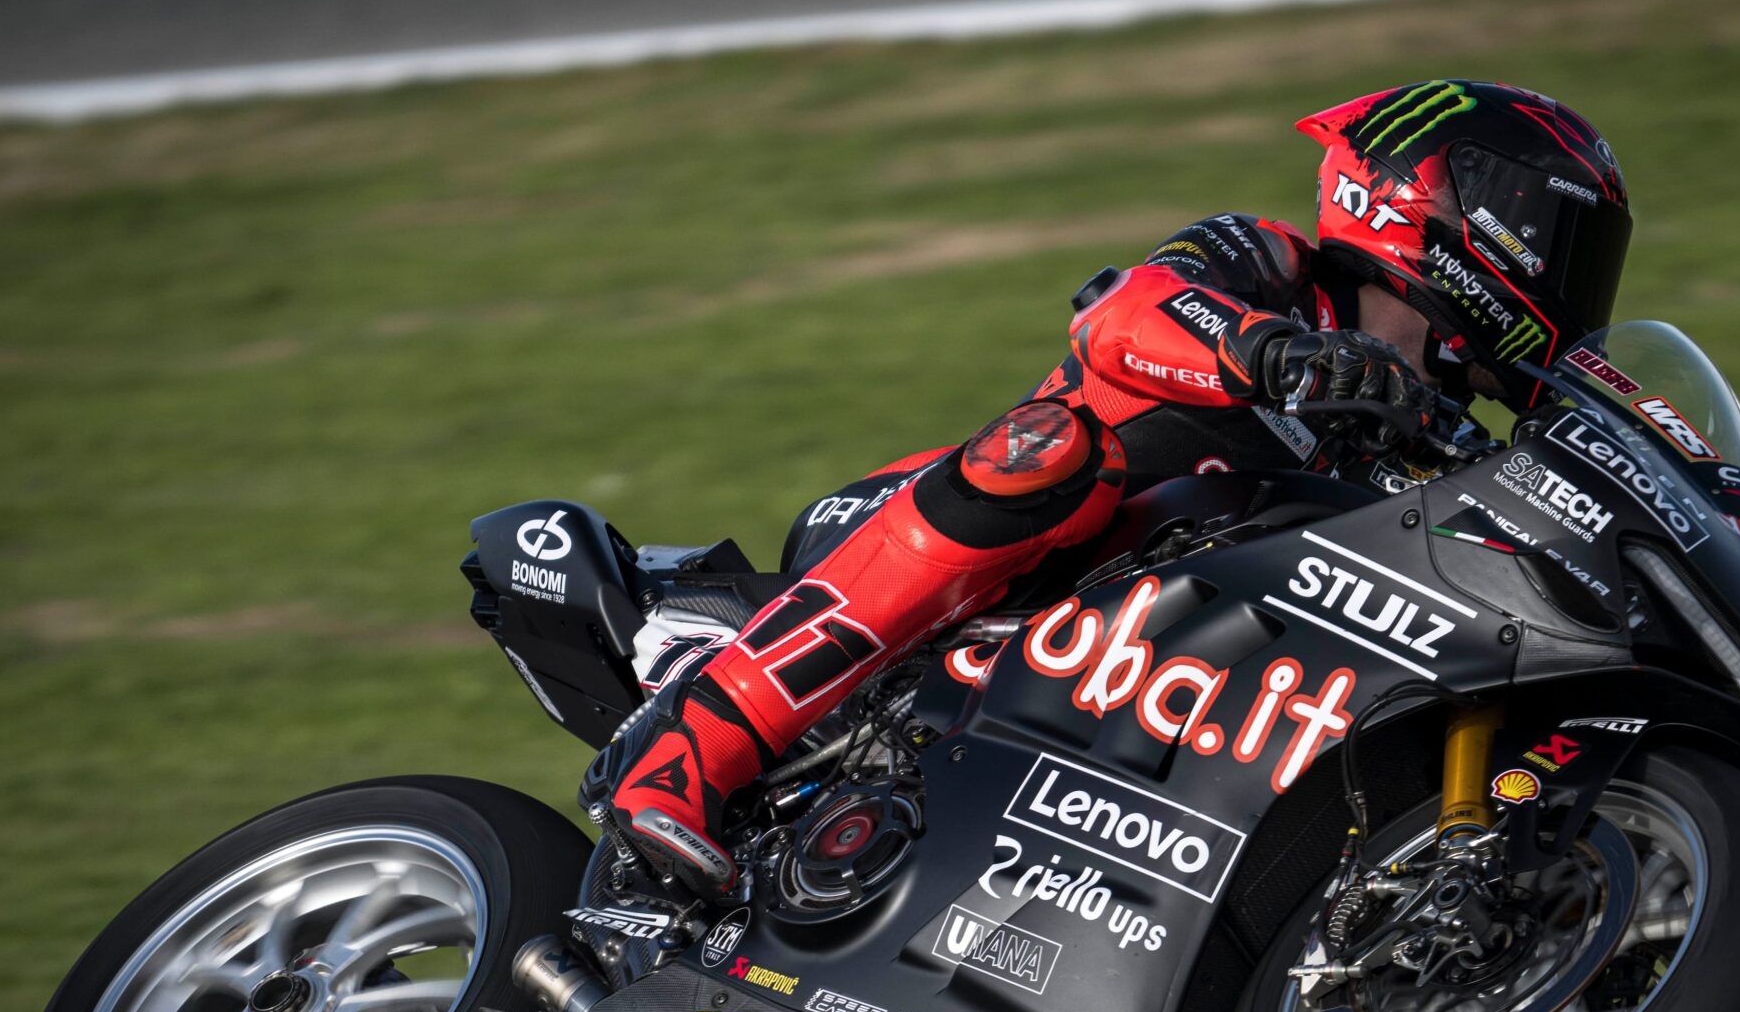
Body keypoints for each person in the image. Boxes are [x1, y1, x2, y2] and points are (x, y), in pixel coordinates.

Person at [600, 78, 1635, 892]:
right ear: (1455, 203)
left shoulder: (1445, 437)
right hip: (967, 556)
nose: (1571, 280)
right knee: (1049, 448)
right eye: (1563, 241)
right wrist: (1272, 355)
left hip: (1148, 681)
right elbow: (1123, 317)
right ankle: (690, 756)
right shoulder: (1266, 264)